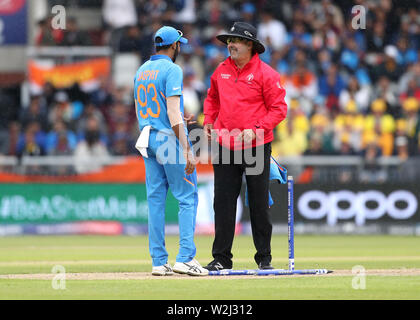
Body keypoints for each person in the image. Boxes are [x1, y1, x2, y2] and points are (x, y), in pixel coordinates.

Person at [203, 22, 288, 271]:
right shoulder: (220, 71)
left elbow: (279, 109)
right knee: (223, 203)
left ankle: (264, 258)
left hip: (256, 146)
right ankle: (221, 258)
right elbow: (212, 99)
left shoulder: (267, 74)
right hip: (225, 144)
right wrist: (208, 120)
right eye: (229, 40)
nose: (230, 44)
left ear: (250, 45)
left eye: (236, 40)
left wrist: (257, 128)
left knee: (259, 203)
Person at [134, 26, 208, 276]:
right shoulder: (172, 69)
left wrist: (168, 124)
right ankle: (185, 258)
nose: (181, 48)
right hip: (168, 141)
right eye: (180, 44)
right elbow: (173, 112)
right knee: (187, 196)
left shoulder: (142, 70)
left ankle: (158, 261)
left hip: (147, 138)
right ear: (174, 45)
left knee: (155, 201)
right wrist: (187, 149)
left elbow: (148, 112)